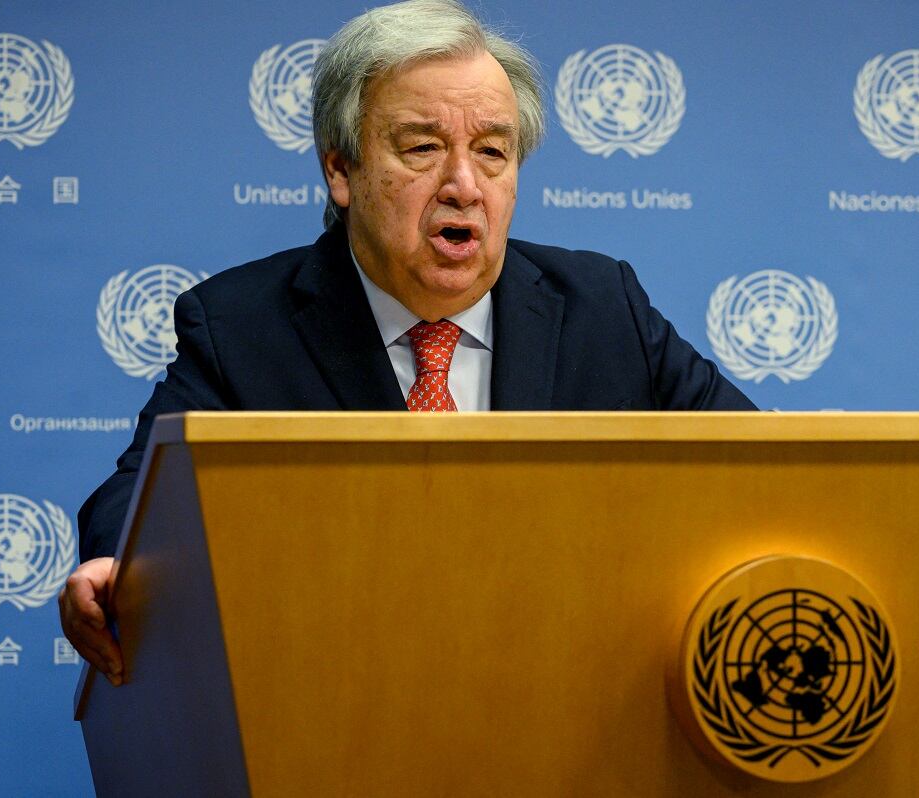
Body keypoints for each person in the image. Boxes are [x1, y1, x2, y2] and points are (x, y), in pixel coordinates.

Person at [59, 0, 756, 686]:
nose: (463, 185)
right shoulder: (242, 326)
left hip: (570, 696)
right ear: (341, 170)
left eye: (492, 152)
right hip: (344, 701)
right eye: (422, 148)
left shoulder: (603, 307)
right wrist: (122, 564)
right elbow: (134, 496)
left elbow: (761, 463)